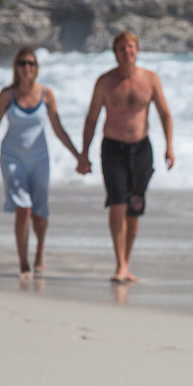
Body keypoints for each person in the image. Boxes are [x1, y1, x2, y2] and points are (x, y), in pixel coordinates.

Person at [0, 47, 83, 280]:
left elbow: (58, 128)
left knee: (40, 212)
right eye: (22, 63)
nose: (27, 67)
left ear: (36, 67)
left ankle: (40, 249)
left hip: (40, 159)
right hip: (12, 158)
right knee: (24, 207)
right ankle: (23, 263)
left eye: (31, 63)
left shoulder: (46, 94)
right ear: (15, 67)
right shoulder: (6, 95)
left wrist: (78, 156)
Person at [77, 31, 175, 284]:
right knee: (118, 203)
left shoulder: (150, 79)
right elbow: (91, 118)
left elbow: (165, 114)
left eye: (130, 47)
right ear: (115, 52)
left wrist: (169, 146)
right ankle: (120, 264)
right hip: (113, 149)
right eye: (121, 48)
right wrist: (83, 154)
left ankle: (127, 264)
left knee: (134, 208)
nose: (126, 52)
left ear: (137, 50)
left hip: (141, 149)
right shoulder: (105, 82)